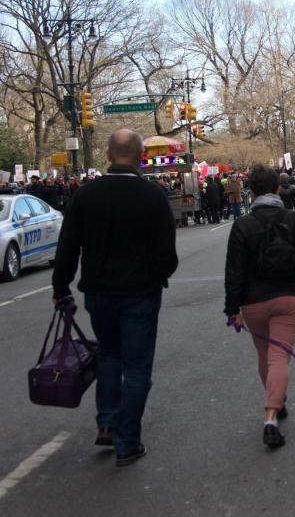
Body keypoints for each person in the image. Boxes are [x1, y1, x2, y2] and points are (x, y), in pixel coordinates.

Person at [51, 129, 178, 467]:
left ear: (108, 155)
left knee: (108, 355)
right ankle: (126, 440)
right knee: (136, 367)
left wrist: (60, 287)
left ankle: (107, 421)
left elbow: (68, 246)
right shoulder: (152, 197)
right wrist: (159, 275)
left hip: (99, 291)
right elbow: (168, 252)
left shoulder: (86, 195)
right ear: (140, 158)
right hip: (140, 292)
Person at [224, 165, 295, 448]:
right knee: (279, 356)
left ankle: (275, 406)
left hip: (253, 301)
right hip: (289, 298)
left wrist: (232, 310)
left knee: (266, 355)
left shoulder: (242, 225)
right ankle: (271, 416)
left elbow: (234, 271)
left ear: (250, 192)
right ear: (278, 188)